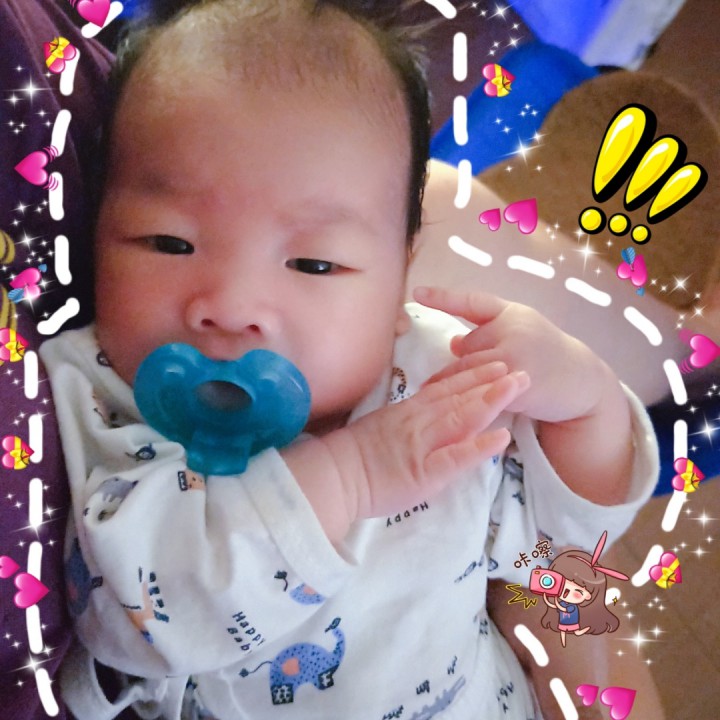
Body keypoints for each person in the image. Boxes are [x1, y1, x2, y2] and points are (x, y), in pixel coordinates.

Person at [39, 1, 659, 718]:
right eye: (169, 243)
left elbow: (561, 536)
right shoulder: (100, 398)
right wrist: (348, 475)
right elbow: (130, 624)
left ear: (399, 284)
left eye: (314, 263)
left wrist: (584, 405)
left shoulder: (433, 375)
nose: (231, 306)